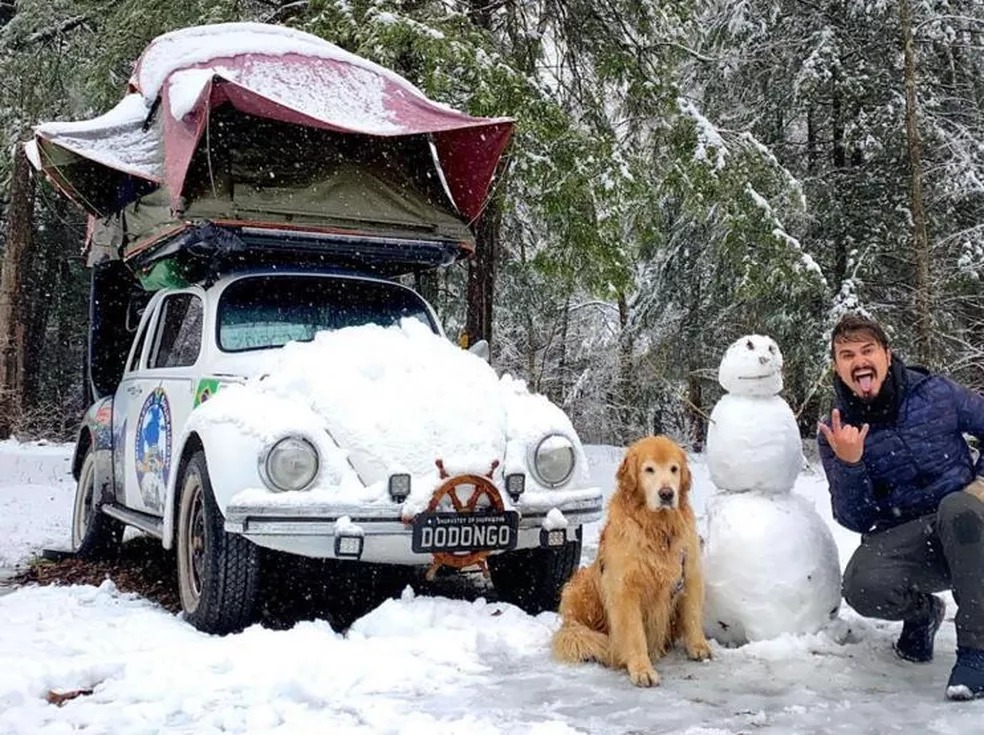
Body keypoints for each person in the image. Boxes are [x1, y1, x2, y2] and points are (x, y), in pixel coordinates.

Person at [817, 313, 984, 701]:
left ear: (887, 355)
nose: (859, 361)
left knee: (958, 508)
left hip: (968, 523)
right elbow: (854, 518)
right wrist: (851, 463)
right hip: (908, 538)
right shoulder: (836, 430)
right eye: (846, 354)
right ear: (837, 367)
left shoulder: (935, 392)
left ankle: (977, 652)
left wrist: (980, 484)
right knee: (861, 587)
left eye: (867, 350)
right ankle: (923, 613)